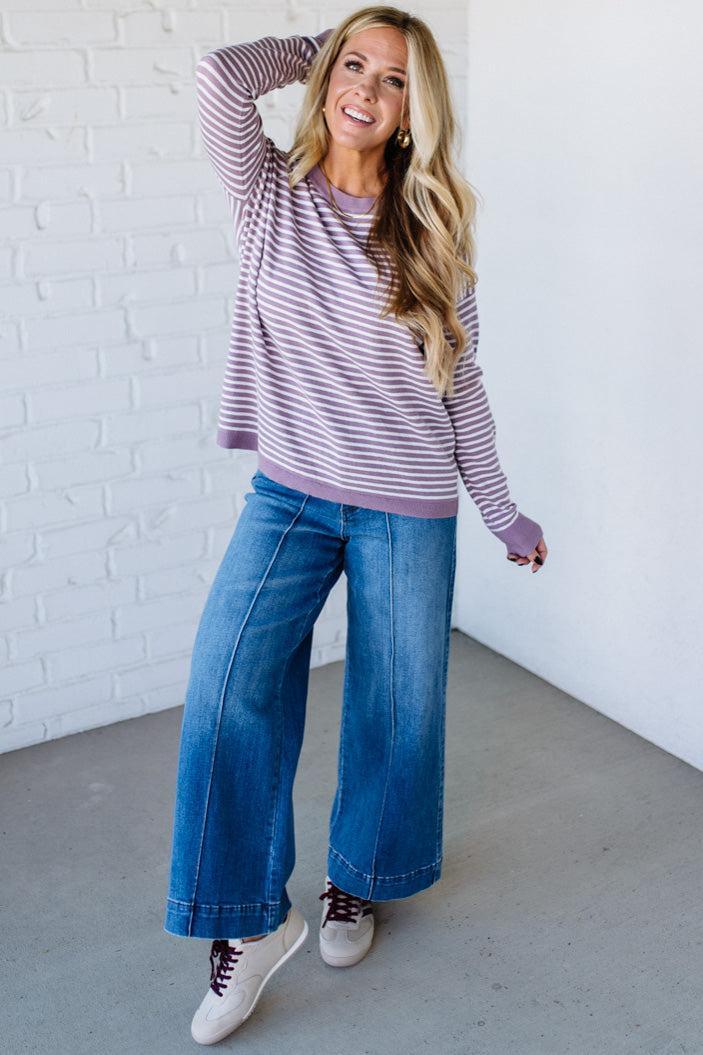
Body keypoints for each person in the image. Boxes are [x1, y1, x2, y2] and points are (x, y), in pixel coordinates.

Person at [163, 4, 548, 1044]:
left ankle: (359, 878)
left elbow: (460, 382)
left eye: (392, 79)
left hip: (407, 502)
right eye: (354, 67)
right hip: (289, 493)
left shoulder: (431, 230)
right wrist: (314, 51)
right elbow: (216, 77)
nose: (365, 91)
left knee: (395, 707)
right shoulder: (269, 197)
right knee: (227, 683)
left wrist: (501, 508)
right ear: (327, 75)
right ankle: (249, 922)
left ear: (414, 111)